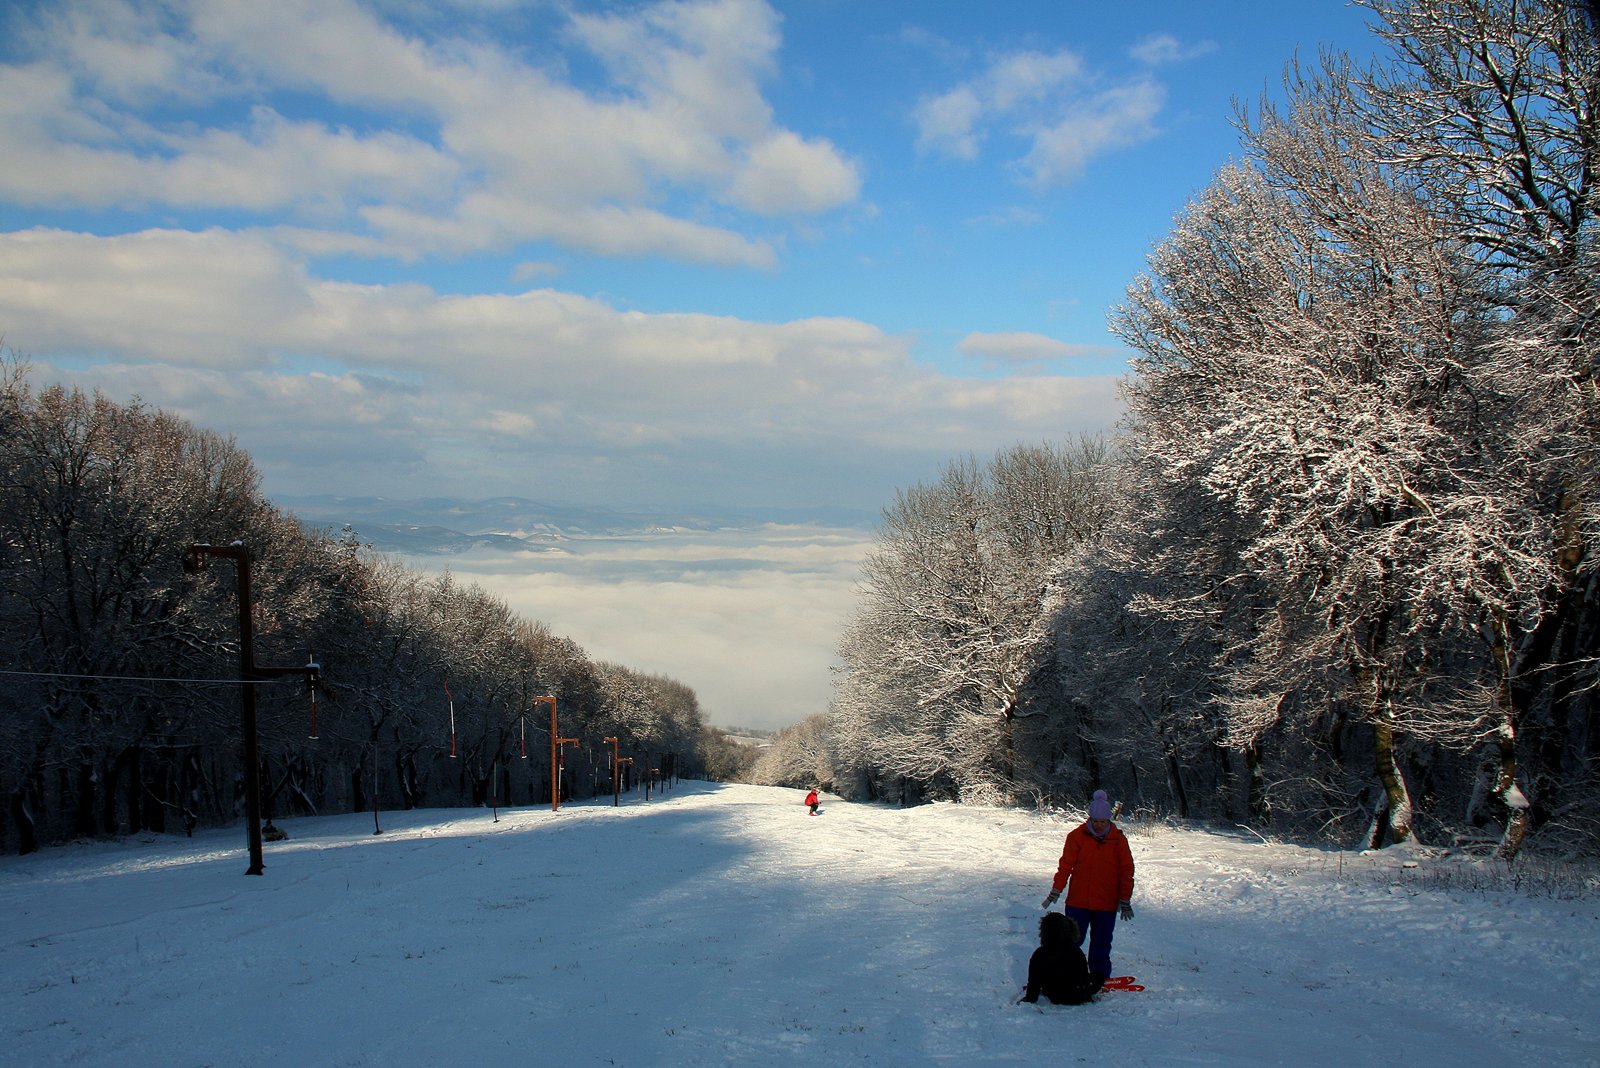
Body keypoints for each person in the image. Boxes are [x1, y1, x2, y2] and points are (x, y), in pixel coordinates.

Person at [1040, 790, 1134, 983]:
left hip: (1106, 902)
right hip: (1078, 901)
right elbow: (1065, 865)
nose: (1099, 825)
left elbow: (1126, 871)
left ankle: (1099, 976)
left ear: (1109, 819)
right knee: (1072, 940)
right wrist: (1056, 890)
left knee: (1101, 942)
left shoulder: (1118, 841)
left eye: (1103, 821)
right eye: (1096, 821)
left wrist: (1125, 899)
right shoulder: (1076, 837)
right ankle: (1066, 973)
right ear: (1089, 818)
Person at [1020, 912, 1098, 1005]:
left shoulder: (1039, 954)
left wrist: (1030, 998)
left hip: (1054, 995)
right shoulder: (1077, 952)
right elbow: (1083, 981)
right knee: (1097, 976)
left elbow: (1034, 982)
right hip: (1077, 996)